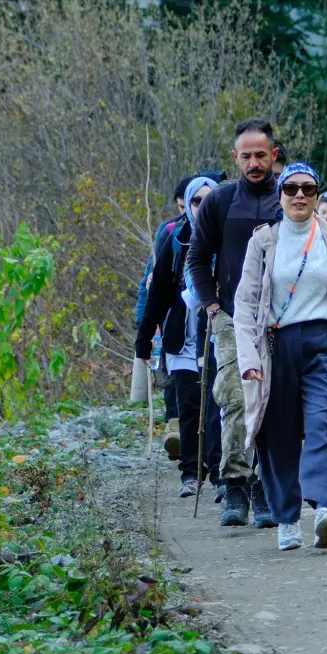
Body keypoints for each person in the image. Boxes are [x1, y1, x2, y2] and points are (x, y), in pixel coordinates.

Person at [234, 163, 327, 551]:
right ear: (280, 195)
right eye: (291, 188)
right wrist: (248, 357)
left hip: (326, 344)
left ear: (318, 195)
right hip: (276, 348)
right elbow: (245, 303)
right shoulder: (263, 242)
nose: (299, 195)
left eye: (307, 188)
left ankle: (323, 509)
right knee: (277, 434)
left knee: (323, 422)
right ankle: (287, 519)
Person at [186, 118, 283, 529]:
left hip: (281, 316)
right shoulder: (220, 201)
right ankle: (236, 483)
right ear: (235, 158)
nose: (254, 162)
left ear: (274, 154)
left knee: (274, 402)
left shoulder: (290, 196)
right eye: (246, 156)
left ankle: (266, 486)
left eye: (261, 154)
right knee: (234, 396)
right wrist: (210, 307)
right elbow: (197, 257)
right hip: (230, 316)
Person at [137, 176, 222, 499]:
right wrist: (144, 337)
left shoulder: (228, 235)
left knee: (216, 407)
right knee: (188, 406)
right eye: (197, 200)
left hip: (217, 333)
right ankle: (190, 471)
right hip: (182, 336)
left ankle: (218, 473)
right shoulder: (174, 237)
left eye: (209, 199)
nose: (203, 206)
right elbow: (156, 288)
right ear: (187, 203)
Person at [135, 175, 193, 458]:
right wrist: (144, 324)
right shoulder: (169, 231)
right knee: (174, 374)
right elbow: (152, 280)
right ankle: (175, 428)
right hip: (172, 318)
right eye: (183, 206)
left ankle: (196, 439)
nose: (187, 212)